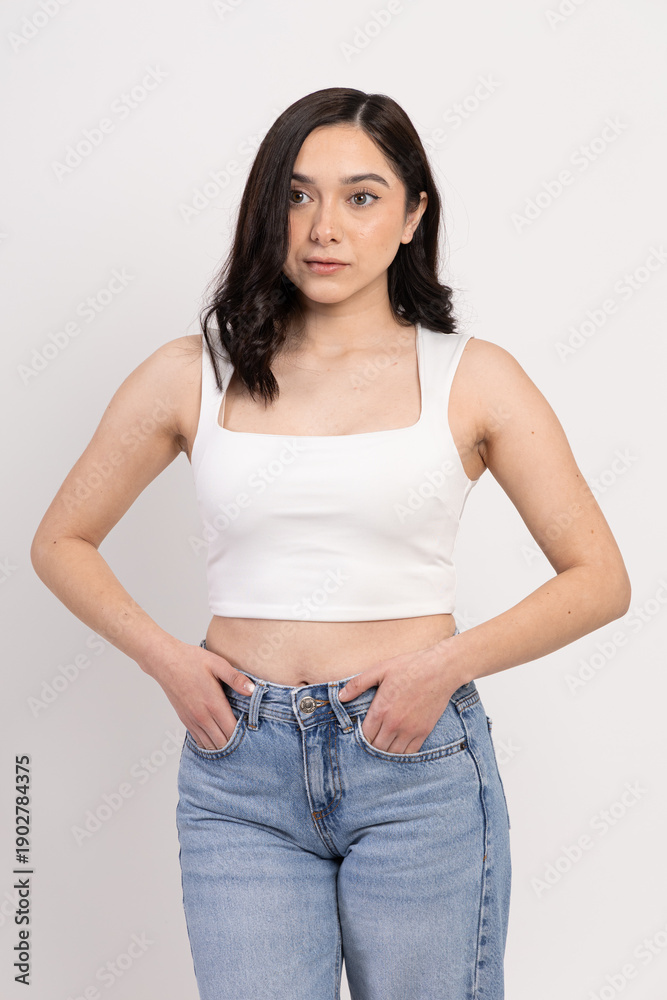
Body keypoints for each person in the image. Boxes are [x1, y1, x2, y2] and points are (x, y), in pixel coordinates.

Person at [30, 87, 631, 1000]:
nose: (323, 227)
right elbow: (62, 539)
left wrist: (443, 668)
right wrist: (167, 660)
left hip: (413, 762)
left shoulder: (473, 379)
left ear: (412, 215)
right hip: (238, 772)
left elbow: (598, 579)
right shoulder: (191, 373)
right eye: (297, 195)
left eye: (361, 197)